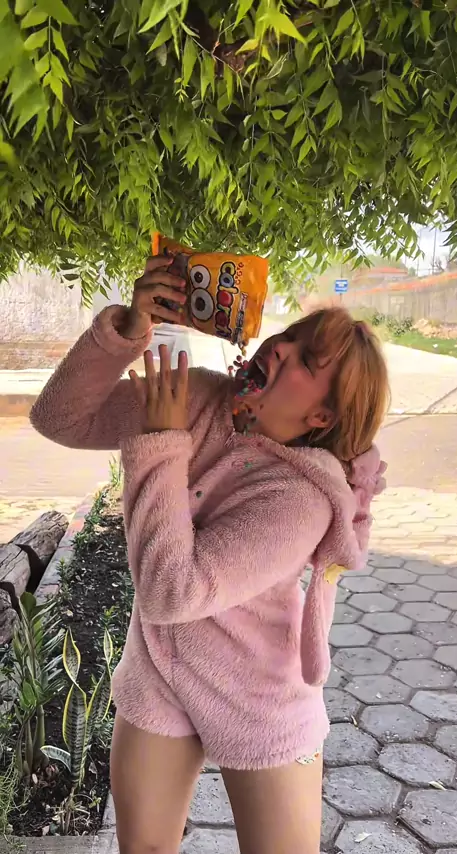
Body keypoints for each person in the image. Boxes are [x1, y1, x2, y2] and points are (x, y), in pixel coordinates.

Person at [30, 254, 389, 854]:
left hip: (258, 694)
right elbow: (58, 418)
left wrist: (160, 441)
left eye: (305, 360)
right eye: (290, 336)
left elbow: (174, 592)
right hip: (161, 671)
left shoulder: (301, 497)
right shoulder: (197, 396)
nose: (281, 348)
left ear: (321, 415)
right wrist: (126, 332)